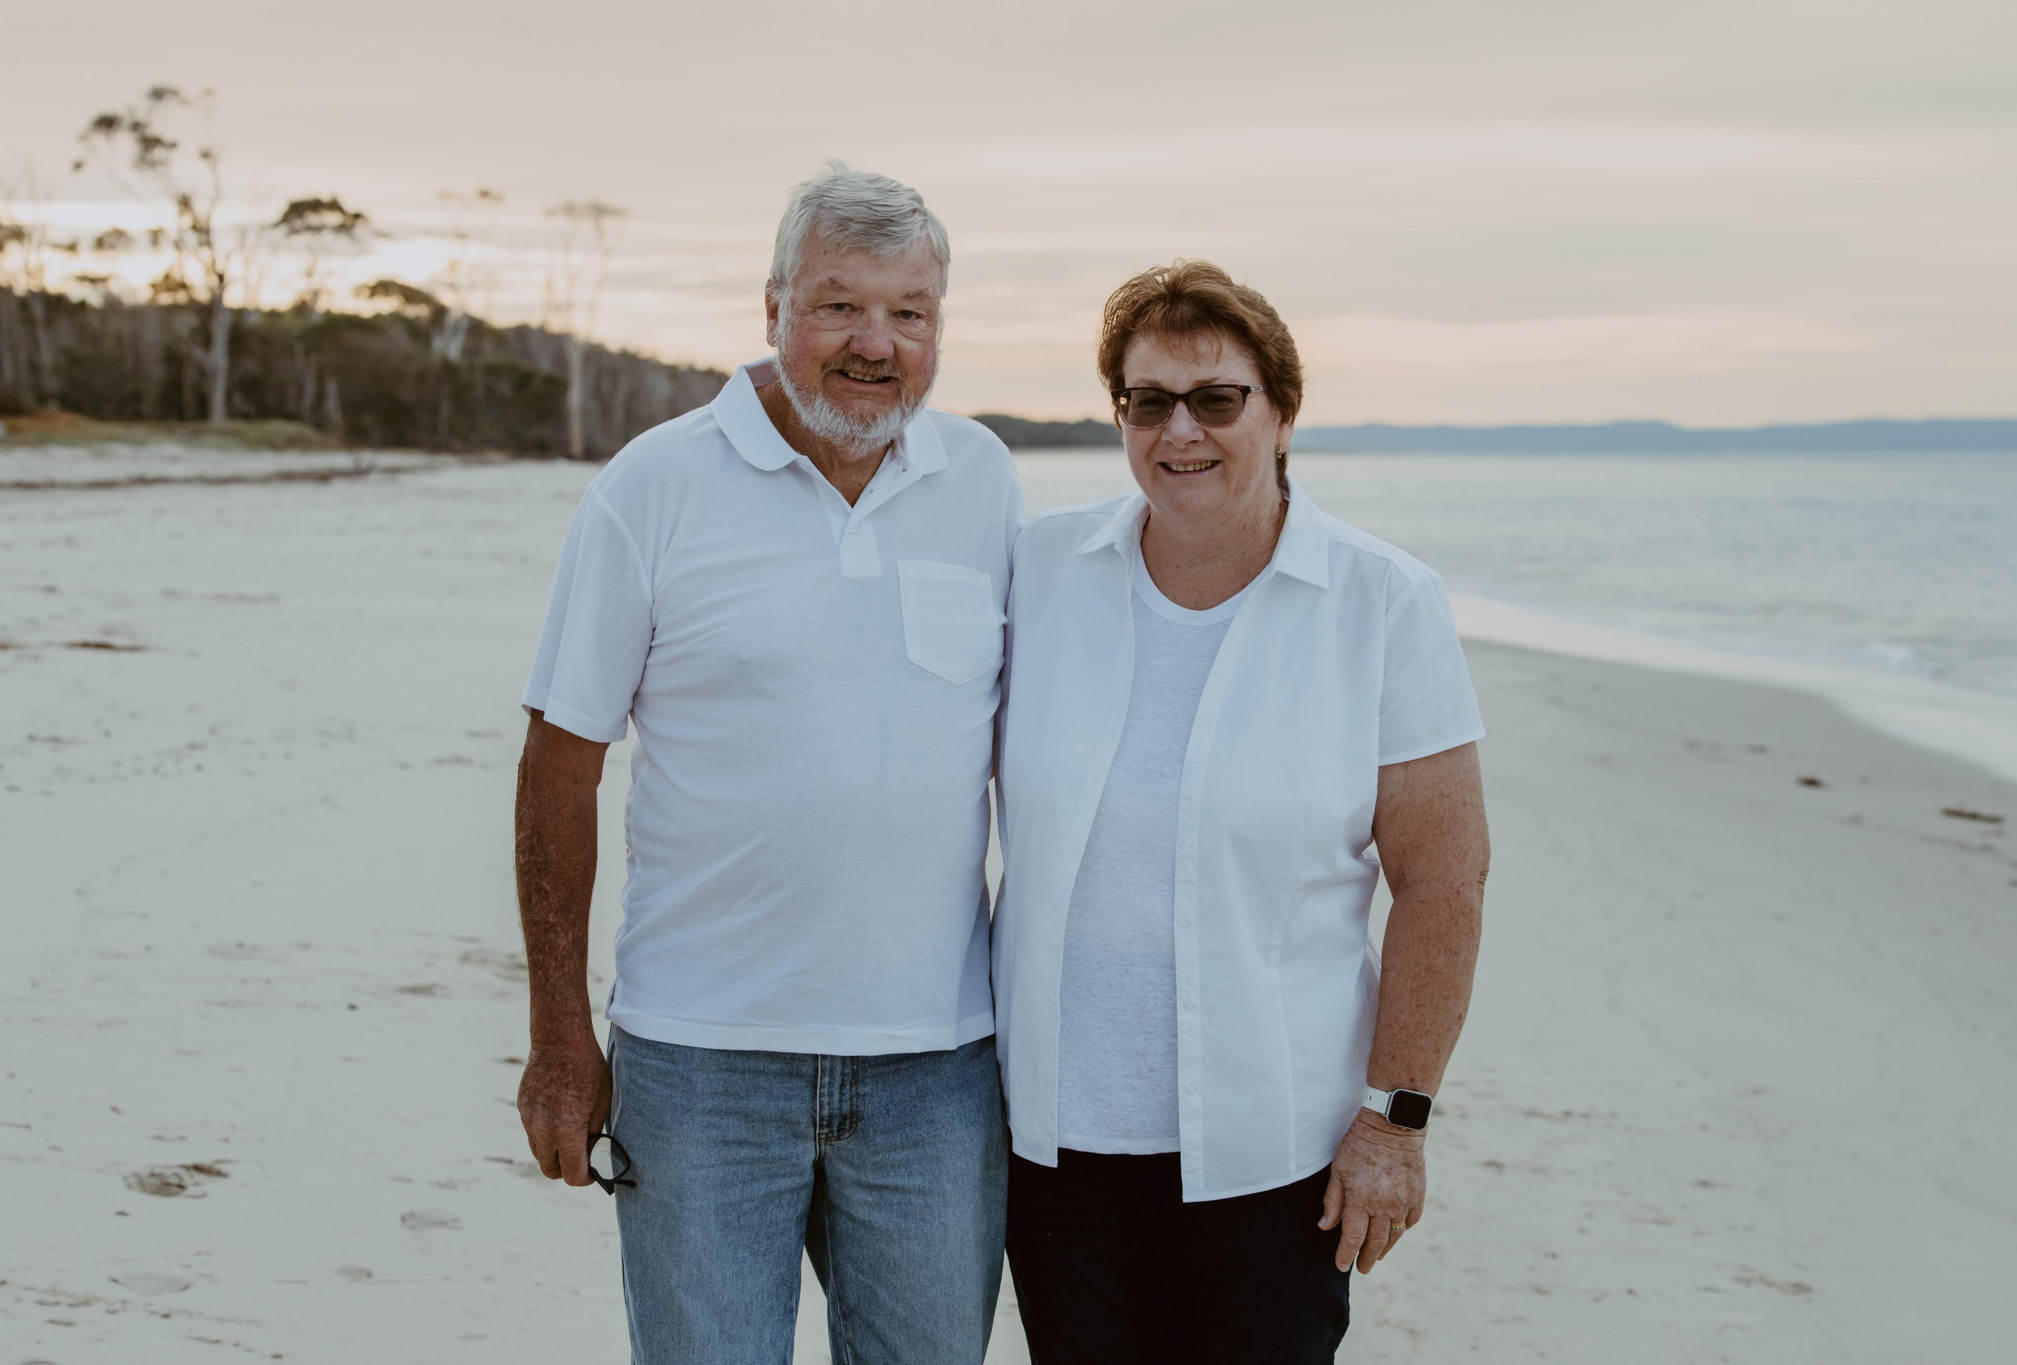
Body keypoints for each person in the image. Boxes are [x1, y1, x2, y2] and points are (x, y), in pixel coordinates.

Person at [513, 162, 1021, 1364]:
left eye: (910, 312)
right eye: (839, 304)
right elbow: (556, 771)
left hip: (936, 1071)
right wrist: (558, 1038)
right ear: (772, 306)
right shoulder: (654, 485)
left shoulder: (984, 483)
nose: (875, 343)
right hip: (699, 1060)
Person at [993, 260, 1491, 1364]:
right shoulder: (1037, 573)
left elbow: (1442, 880)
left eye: (1215, 399)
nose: (1181, 431)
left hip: (1275, 1158)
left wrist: (1393, 1123)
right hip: (1052, 1153)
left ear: (1280, 411)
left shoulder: (1380, 601)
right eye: (1145, 401)